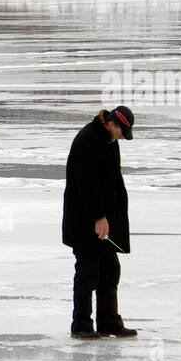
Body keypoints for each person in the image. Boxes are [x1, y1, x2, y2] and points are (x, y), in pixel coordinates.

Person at [62, 105, 137, 339]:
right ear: (112, 124)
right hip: (85, 221)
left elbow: (111, 181)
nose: (121, 137)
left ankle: (108, 322)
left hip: (104, 220)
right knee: (88, 271)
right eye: (121, 131)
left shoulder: (108, 140)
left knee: (109, 270)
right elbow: (87, 185)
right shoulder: (88, 140)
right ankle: (81, 325)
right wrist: (99, 217)